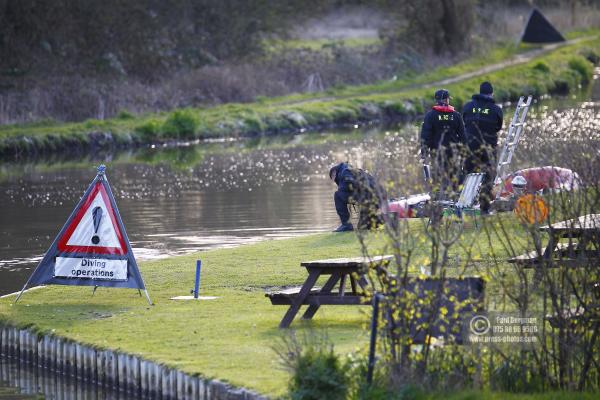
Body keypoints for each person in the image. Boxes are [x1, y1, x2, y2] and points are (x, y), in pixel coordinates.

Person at [462, 81, 503, 214]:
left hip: (471, 146)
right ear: (492, 93)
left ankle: (464, 203)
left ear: (479, 92)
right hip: (488, 147)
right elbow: (498, 127)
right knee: (489, 175)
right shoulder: (496, 110)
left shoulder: (468, 106)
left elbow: (465, 122)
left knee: (469, 174)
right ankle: (484, 207)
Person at [420, 89, 467, 197]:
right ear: (446, 100)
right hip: (453, 153)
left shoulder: (430, 116)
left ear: (436, 100)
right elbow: (463, 136)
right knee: (454, 178)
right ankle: (454, 199)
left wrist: (424, 153)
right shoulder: (456, 115)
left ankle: (439, 201)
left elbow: (425, 136)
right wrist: (465, 152)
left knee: (438, 179)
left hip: (437, 153)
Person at [329, 162, 383, 232]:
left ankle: (346, 225)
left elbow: (351, 184)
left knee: (338, 195)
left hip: (370, 197)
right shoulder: (352, 170)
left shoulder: (345, 172)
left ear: (334, 173)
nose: (335, 181)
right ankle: (390, 218)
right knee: (362, 227)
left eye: (333, 178)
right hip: (376, 197)